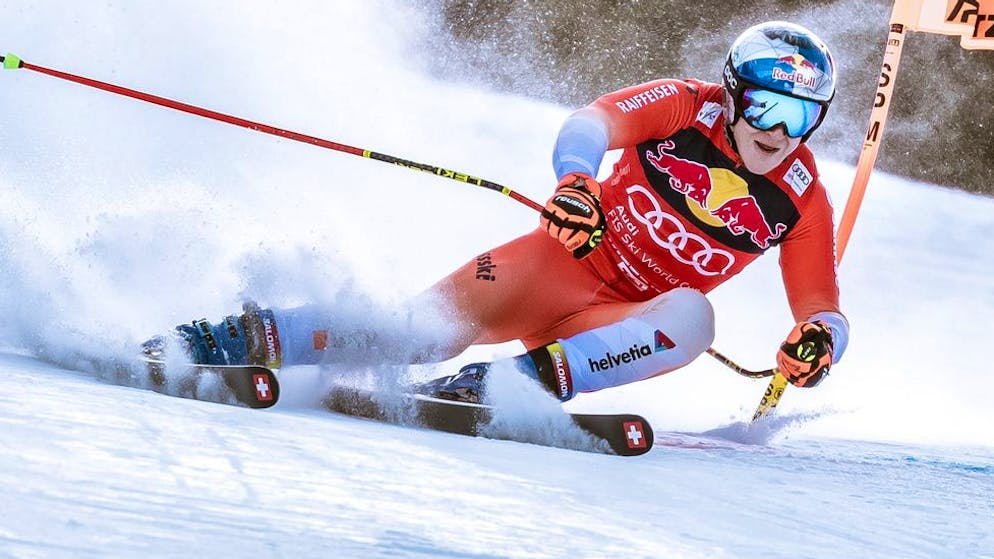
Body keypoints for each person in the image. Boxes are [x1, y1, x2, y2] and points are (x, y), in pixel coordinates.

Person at [144, 21, 849, 404]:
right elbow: (592, 122)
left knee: (693, 316)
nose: (778, 131)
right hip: (556, 264)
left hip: (620, 322)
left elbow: (823, 305)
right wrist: (576, 183)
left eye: (801, 115)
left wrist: (817, 342)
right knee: (418, 331)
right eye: (765, 104)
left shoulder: (799, 197)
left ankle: (507, 388)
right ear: (731, 93)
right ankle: (236, 337)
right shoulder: (684, 105)